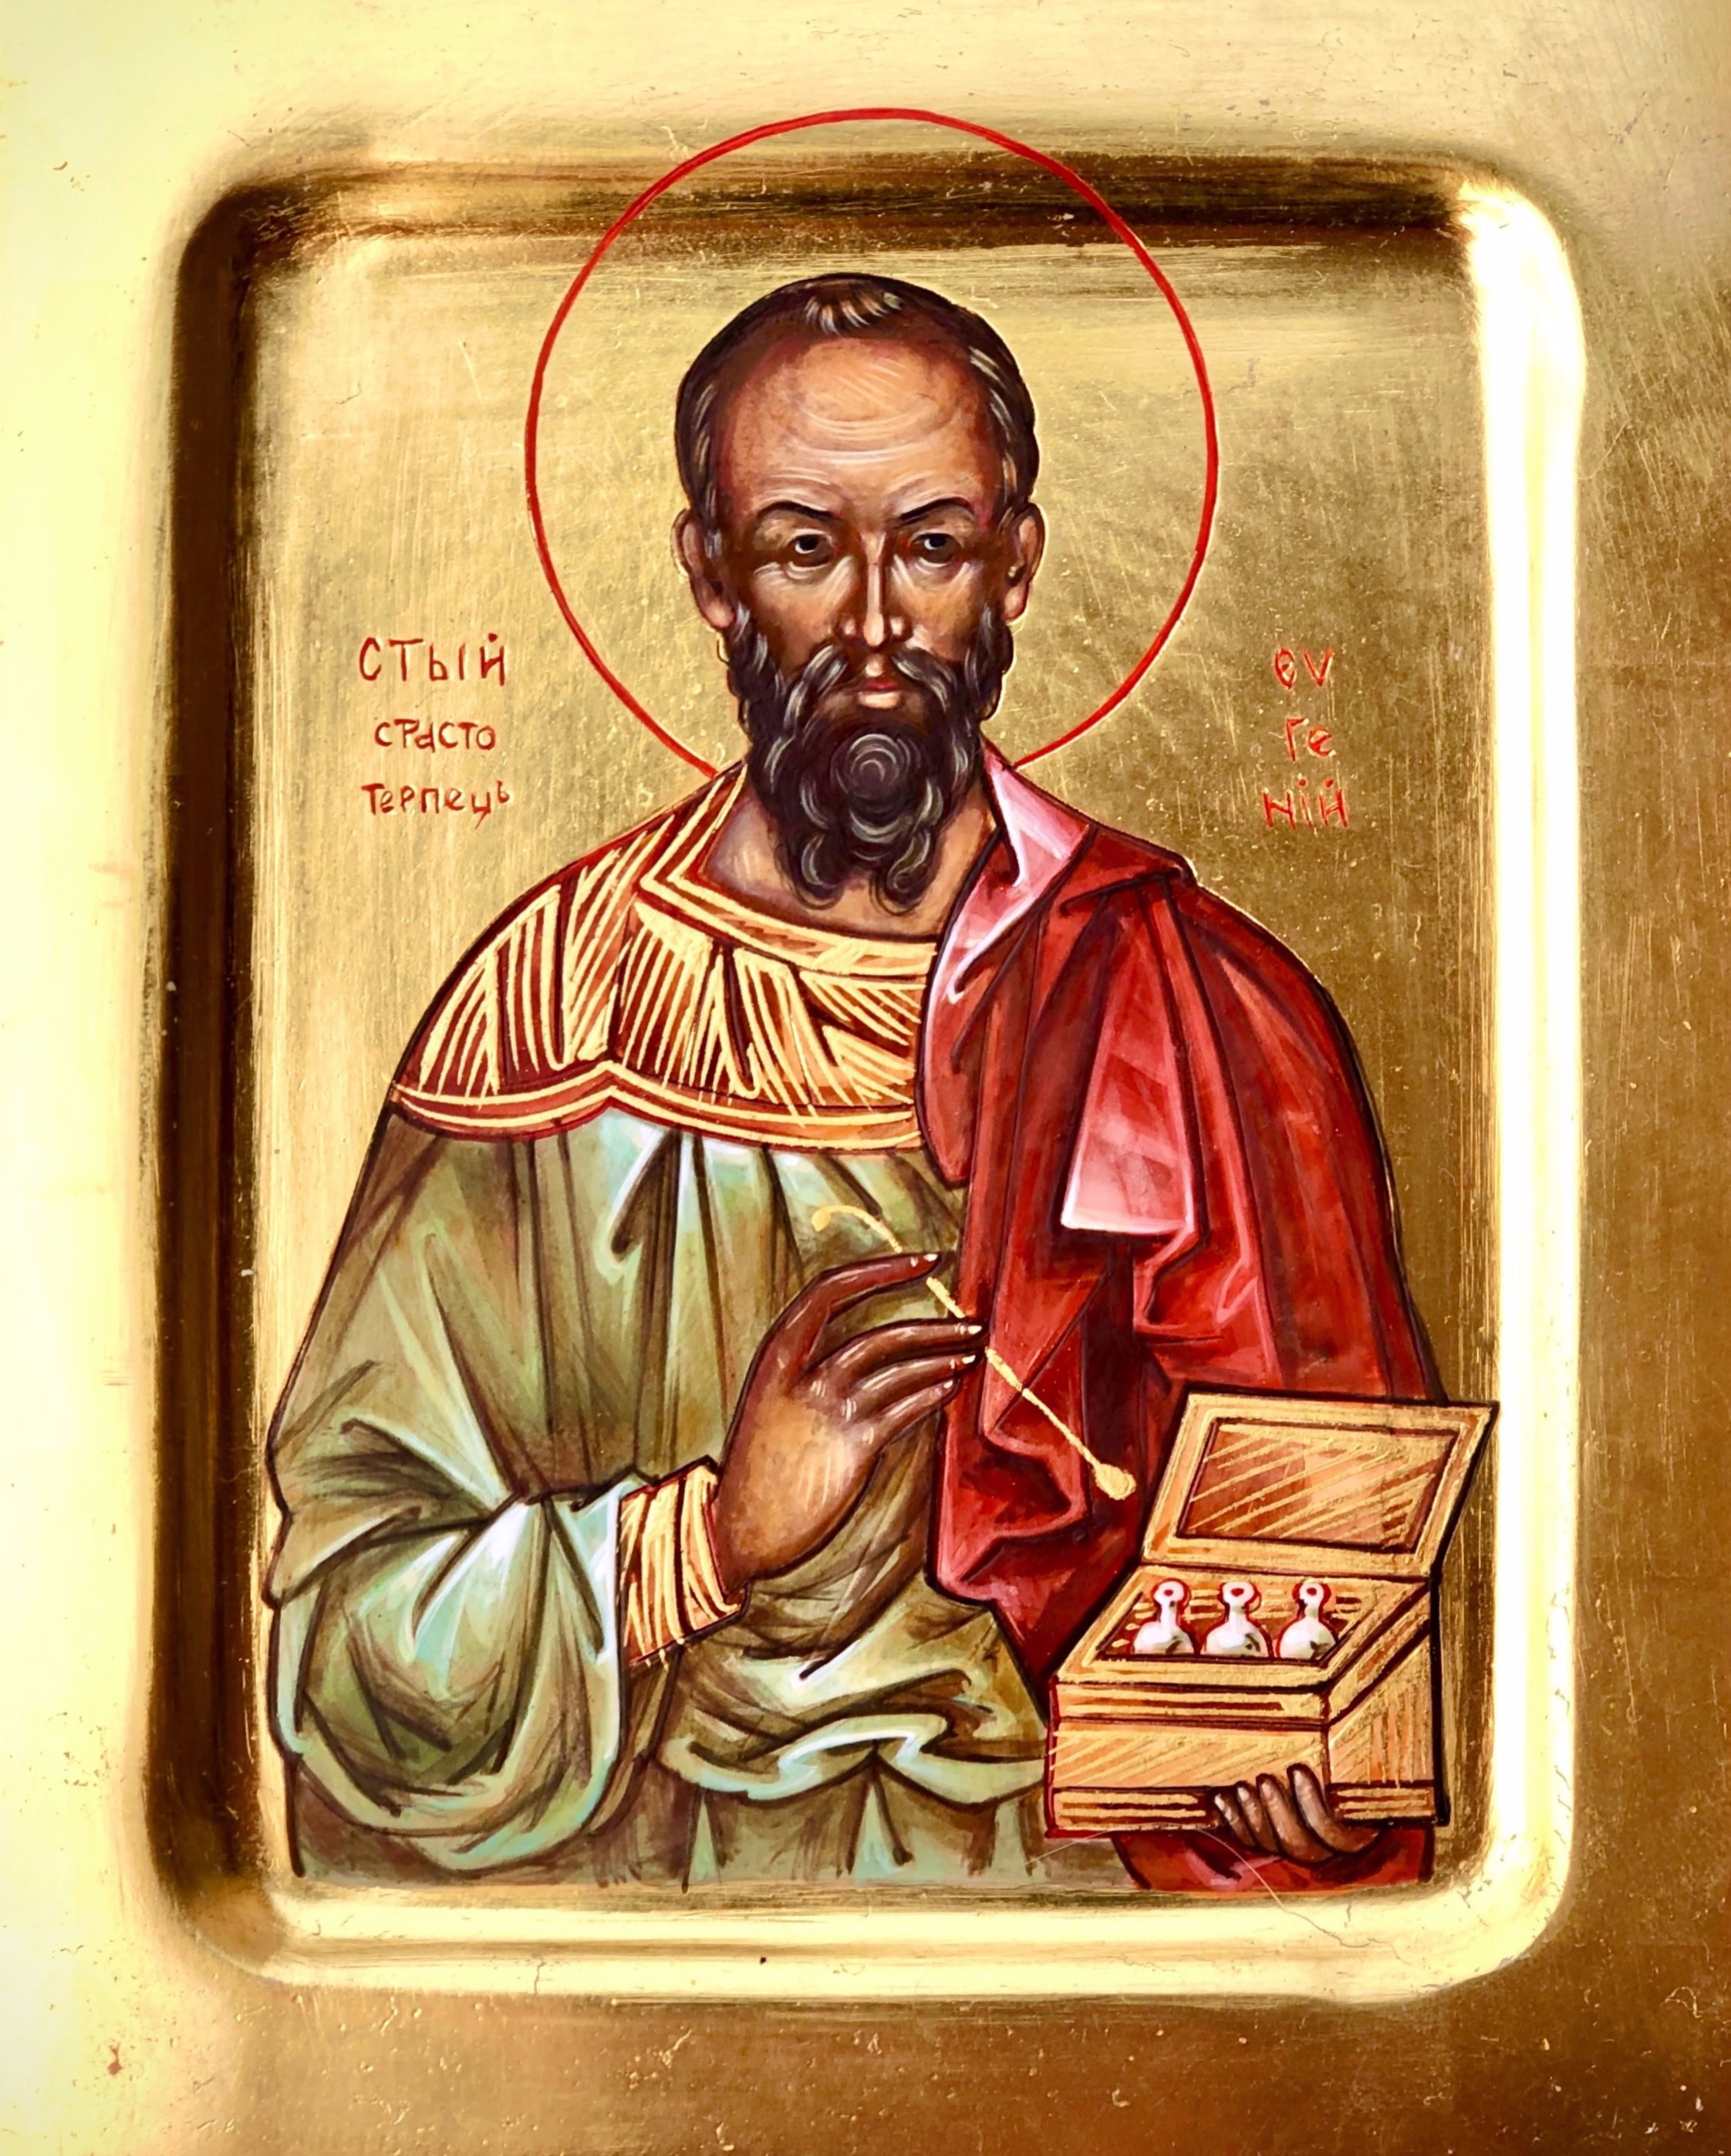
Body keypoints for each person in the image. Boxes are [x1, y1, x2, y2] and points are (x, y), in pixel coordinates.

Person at [267, 273, 1437, 1891]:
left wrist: (1299, 1749)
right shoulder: (550, 1014)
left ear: (1013, 565)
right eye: (806, 548)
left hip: (1082, 1917)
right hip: (655, 1919)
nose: (876, 626)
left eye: (931, 546)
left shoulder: (1200, 1004)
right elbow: (346, 1634)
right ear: (712, 574)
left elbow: (1331, 1570)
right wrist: (708, 1538)